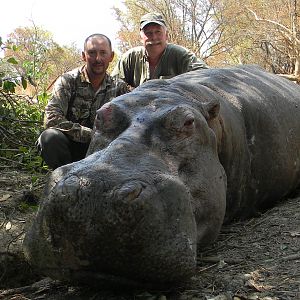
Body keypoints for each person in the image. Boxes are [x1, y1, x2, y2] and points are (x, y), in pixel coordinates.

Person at [38, 33, 129, 169]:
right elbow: (51, 118)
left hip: (103, 150)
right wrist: (90, 135)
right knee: (49, 138)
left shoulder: (119, 87)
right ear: (83, 55)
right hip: (71, 147)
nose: (98, 59)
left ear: (111, 57)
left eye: (103, 53)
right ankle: (64, 176)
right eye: (92, 53)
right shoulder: (67, 81)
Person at [112, 12, 208, 89]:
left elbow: (205, 76)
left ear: (166, 35)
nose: (154, 37)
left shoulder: (181, 55)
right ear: (141, 38)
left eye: (158, 32)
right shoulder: (130, 58)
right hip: (138, 109)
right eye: (148, 33)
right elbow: (113, 83)